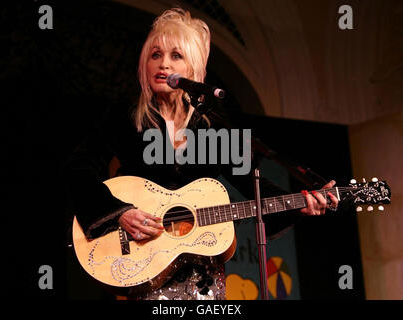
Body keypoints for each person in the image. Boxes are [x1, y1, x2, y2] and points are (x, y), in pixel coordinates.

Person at [65, 7, 339, 300]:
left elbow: (253, 184)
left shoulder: (210, 125)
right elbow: (79, 168)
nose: (163, 64)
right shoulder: (126, 116)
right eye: (155, 54)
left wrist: (299, 203)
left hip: (201, 271)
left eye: (176, 56)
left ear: (194, 70)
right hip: (145, 260)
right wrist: (120, 213)